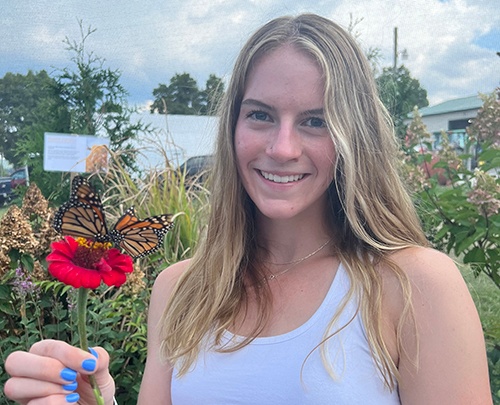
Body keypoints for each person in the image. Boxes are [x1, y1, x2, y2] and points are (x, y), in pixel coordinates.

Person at [4, 13, 492, 405]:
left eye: (315, 121)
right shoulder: (179, 289)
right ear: (233, 127)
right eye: (260, 114)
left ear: (354, 139)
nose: (282, 148)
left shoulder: (413, 286)